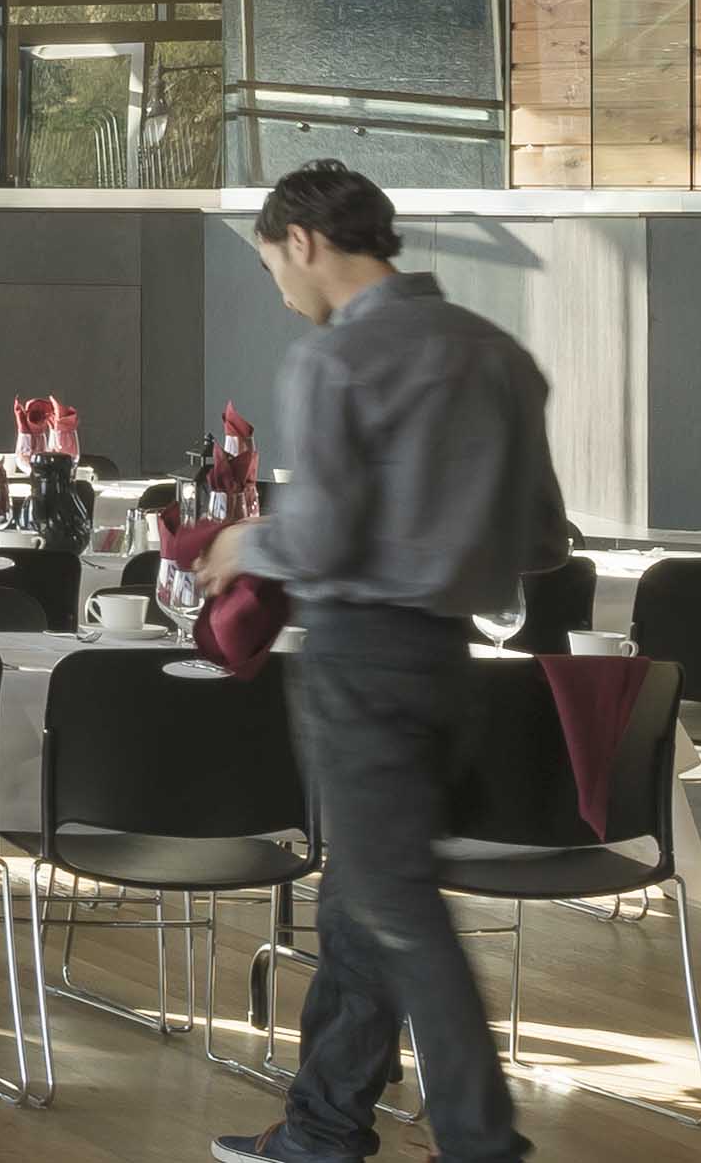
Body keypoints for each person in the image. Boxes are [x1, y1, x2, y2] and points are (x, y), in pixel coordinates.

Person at [217, 159, 570, 1163]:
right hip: (452, 665)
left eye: (271, 266)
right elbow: (544, 538)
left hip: (359, 663)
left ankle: (480, 1141)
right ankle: (323, 1125)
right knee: (364, 900)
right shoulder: (498, 352)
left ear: (303, 241)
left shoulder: (332, 362)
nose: (280, 290)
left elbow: (319, 542)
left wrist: (246, 543)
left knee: (394, 907)